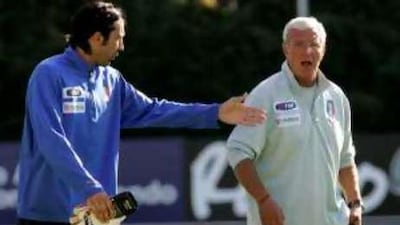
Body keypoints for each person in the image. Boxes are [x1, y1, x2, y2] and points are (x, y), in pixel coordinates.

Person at [16, 1, 266, 225]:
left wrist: (215, 112)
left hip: (97, 216)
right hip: (47, 214)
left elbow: (155, 110)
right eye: (118, 38)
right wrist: (89, 188)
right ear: (96, 38)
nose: (122, 47)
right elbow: (50, 138)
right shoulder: (48, 74)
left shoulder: (112, 80)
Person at [226, 17, 363, 225]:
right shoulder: (265, 94)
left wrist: (355, 204)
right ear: (285, 50)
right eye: (299, 44)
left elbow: (345, 160)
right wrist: (263, 200)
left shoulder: (337, 97)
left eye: (314, 44)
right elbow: (238, 151)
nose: (307, 51)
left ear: (323, 50)